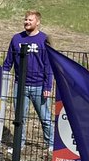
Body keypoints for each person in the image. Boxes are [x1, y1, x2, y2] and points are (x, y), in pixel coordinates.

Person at [3, 9, 54, 149]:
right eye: (25, 19)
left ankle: (51, 144)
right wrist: (2, 77)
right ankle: (19, 144)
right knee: (20, 118)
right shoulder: (16, 39)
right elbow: (8, 62)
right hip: (20, 85)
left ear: (38, 22)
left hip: (39, 86)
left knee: (45, 118)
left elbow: (48, 66)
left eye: (30, 20)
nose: (27, 22)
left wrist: (47, 86)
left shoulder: (44, 40)